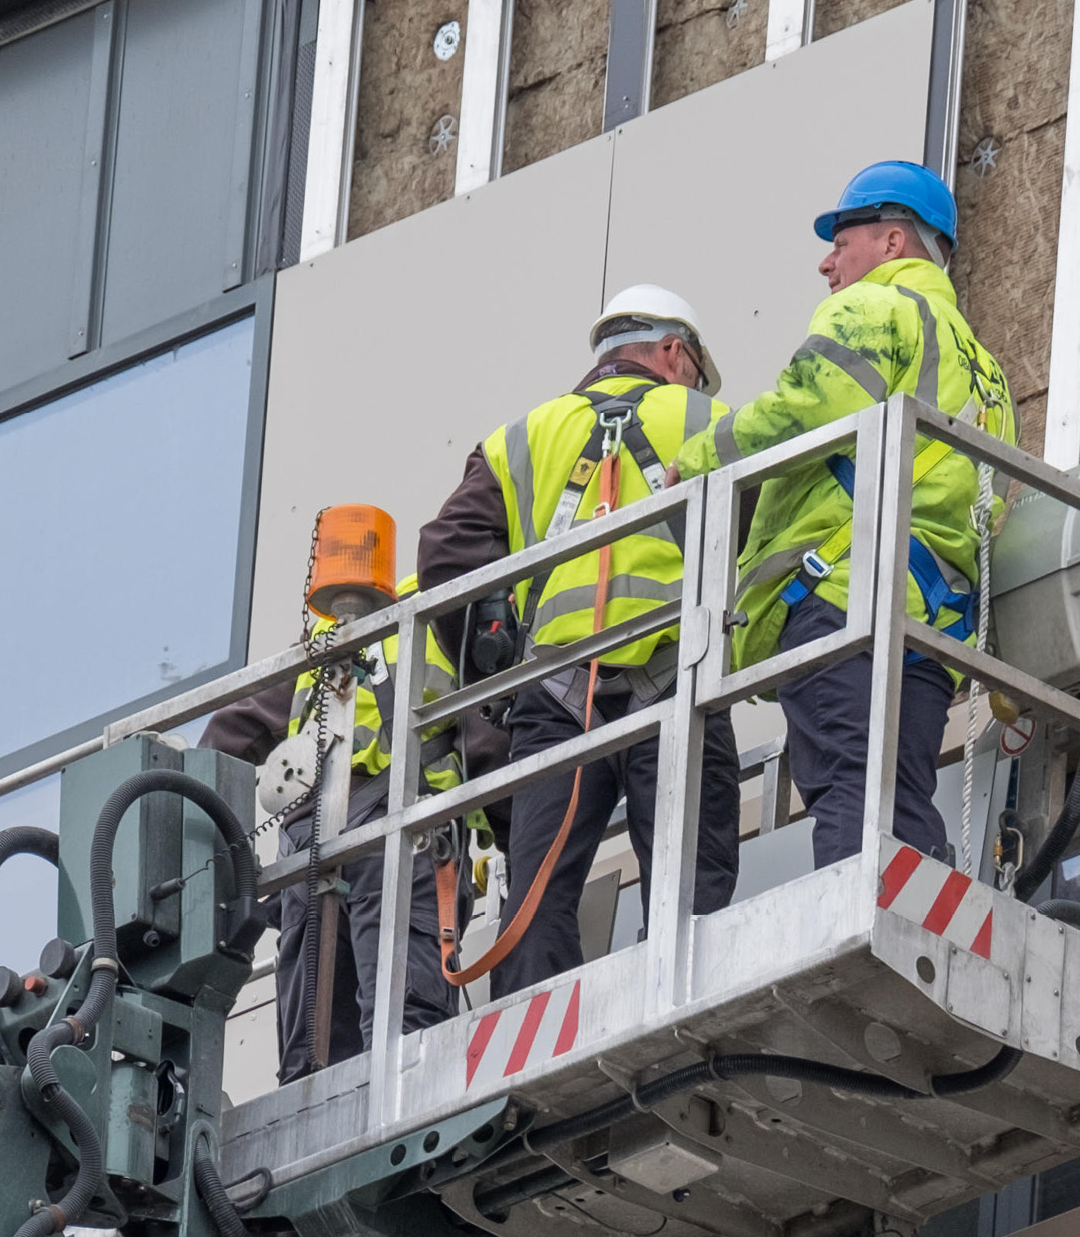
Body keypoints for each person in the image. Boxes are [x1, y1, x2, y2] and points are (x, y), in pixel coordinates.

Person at [670, 161, 1018, 869]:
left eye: (842, 241)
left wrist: (697, 461)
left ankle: (871, 944)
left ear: (893, 242)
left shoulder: (875, 310)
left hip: (843, 595)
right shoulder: (986, 368)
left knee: (851, 790)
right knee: (898, 791)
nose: (827, 262)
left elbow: (803, 408)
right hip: (931, 618)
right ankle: (920, 917)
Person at [418, 286, 743, 997]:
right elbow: (763, 519)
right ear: (672, 353)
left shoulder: (522, 436)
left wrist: (493, 669)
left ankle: (527, 1043)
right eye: (689, 366)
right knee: (693, 875)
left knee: (536, 891)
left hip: (559, 696)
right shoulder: (707, 417)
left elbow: (444, 553)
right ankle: (686, 1011)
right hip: (675, 678)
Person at [204, 578, 471, 1081]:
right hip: (401, 833)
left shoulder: (321, 639)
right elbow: (484, 733)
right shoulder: (442, 604)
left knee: (312, 1055)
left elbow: (232, 732)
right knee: (404, 1037)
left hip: (309, 851)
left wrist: (182, 834)